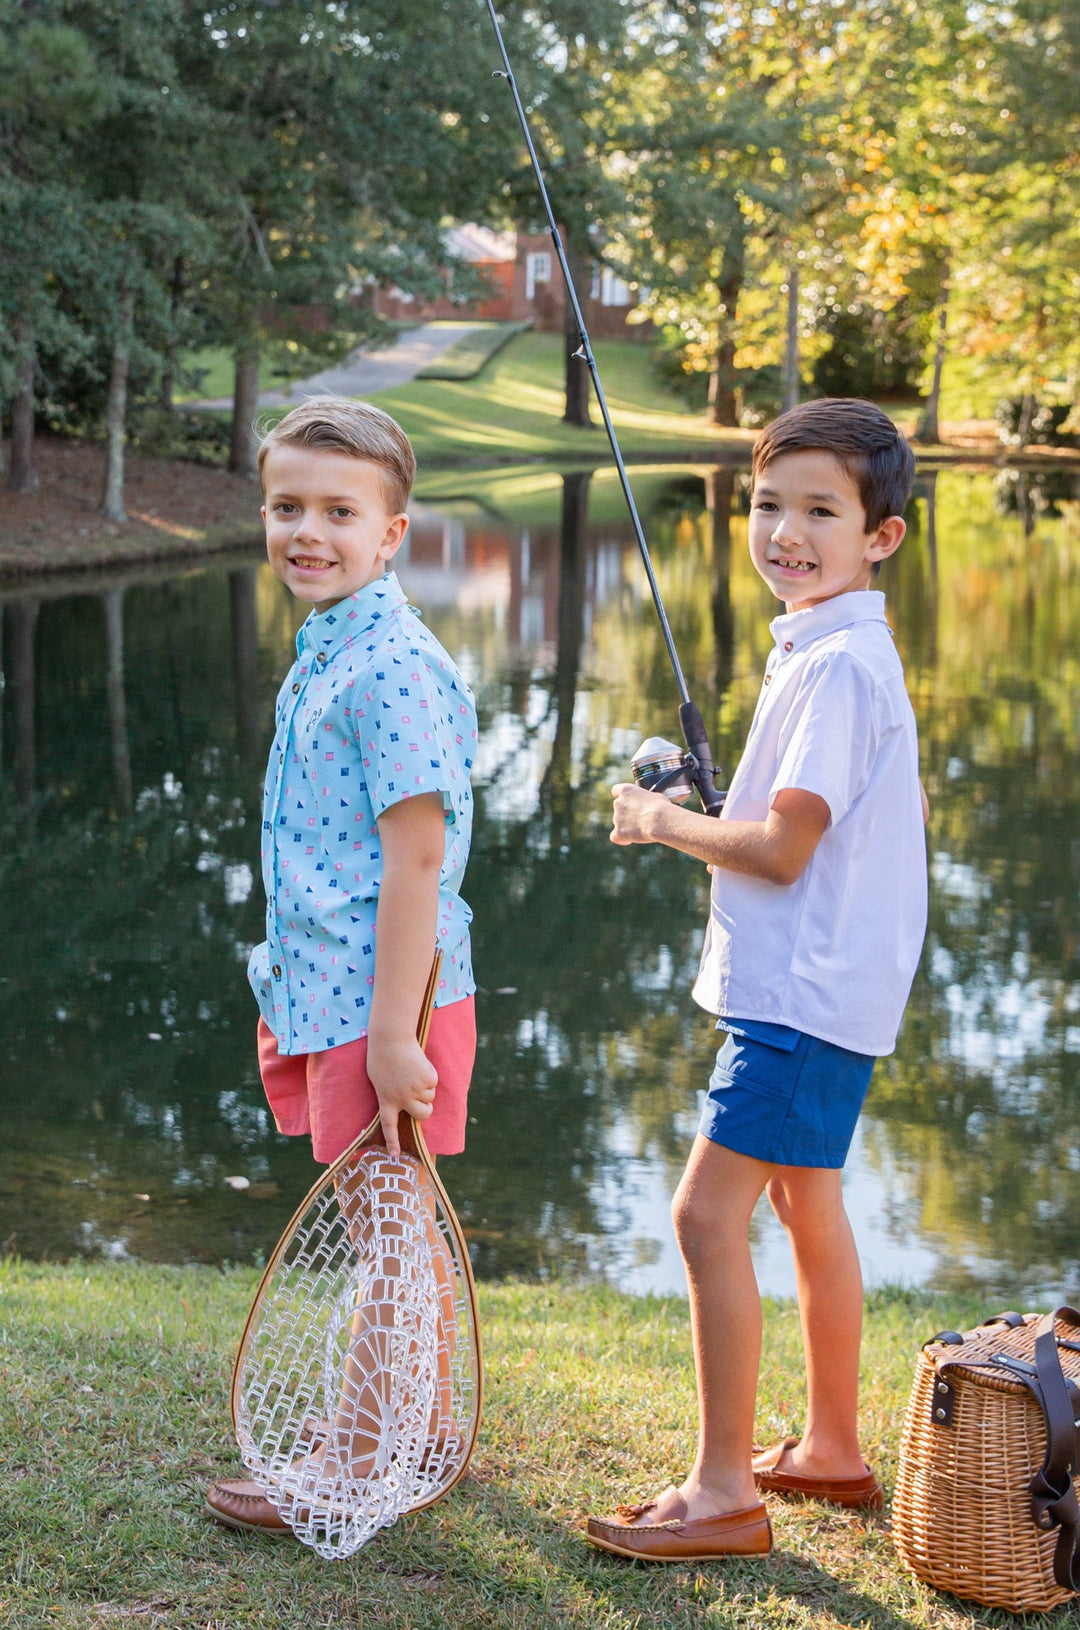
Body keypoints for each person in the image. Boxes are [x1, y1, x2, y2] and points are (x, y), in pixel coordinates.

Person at [585, 398, 927, 1563]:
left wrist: (664, 821)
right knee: (802, 1199)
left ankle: (723, 1492)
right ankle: (832, 1444)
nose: (786, 531)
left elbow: (781, 849)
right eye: (769, 504)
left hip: (802, 1001)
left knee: (703, 1215)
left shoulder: (837, 670)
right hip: (834, 994)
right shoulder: (831, 650)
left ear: (880, 535)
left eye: (820, 510)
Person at [206, 395, 478, 1535]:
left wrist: (394, 1035)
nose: (306, 531)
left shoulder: (395, 669)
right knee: (394, 1223)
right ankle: (409, 1419)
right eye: (286, 506)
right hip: (330, 993)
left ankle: (355, 1457)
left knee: (386, 1235)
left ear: (392, 531)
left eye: (338, 511)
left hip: (381, 1006)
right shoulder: (334, 645)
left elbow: (419, 860)